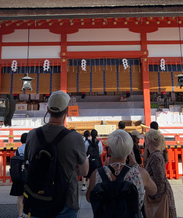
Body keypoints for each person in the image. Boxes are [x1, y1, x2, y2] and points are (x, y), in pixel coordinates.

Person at [24, 90, 88, 218]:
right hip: (66, 199)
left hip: (37, 197)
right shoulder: (75, 138)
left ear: (48, 109)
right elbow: (84, 171)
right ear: (66, 110)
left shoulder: (32, 135)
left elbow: (28, 161)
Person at [86, 129, 157, 214]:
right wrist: (135, 165)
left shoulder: (97, 174)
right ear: (130, 151)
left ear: (109, 150)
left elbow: (89, 198)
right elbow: (153, 190)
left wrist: (104, 169)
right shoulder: (140, 173)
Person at [144, 129, 177, 218]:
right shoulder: (157, 154)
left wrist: (146, 180)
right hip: (160, 191)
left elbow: (159, 178)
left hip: (159, 193)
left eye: (145, 139)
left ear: (149, 141)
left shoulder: (155, 156)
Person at [10, 132, 28, 218]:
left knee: (20, 196)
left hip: (19, 174)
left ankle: (20, 214)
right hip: (28, 173)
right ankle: (29, 213)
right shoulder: (30, 148)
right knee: (30, 194)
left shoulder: (18, 149)